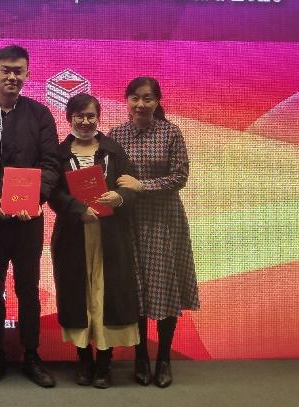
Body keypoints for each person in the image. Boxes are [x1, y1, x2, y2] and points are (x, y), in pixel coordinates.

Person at [0, 45, 59, 388]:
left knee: (28, 290)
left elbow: (51, 164)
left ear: (28, 74)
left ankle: (31, 355)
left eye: (18, 71)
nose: (12, 76)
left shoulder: (40, 115)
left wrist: (38, 198)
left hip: (27, 220)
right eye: (5, 70)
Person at [108, 77, 199, 388]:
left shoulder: (171, 132)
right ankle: (140, 357)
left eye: (147, 98)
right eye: (135, 98)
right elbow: (109, 176)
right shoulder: (116, 134)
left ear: (157, 101)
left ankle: (163, 359)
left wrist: (142, 186)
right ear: (127, 100)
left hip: (163, 221)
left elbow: (180, 176)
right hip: (128, 221)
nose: (141, 104)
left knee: (164, 288)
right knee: (135, 289)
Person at [48, 93, 140, 389]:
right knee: (79, 295)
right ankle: (84, 360)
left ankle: (104, 362)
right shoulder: (59, 154)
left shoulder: (113, 149)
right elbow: (52, 192)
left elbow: (130, 185)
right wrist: (78, 210)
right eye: (79, 116)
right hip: (74, 236)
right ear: (69, 118)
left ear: (98, 117)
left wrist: (119, 197)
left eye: (91, 116)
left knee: (105, 294)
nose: (85, 121)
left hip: (110, 235)